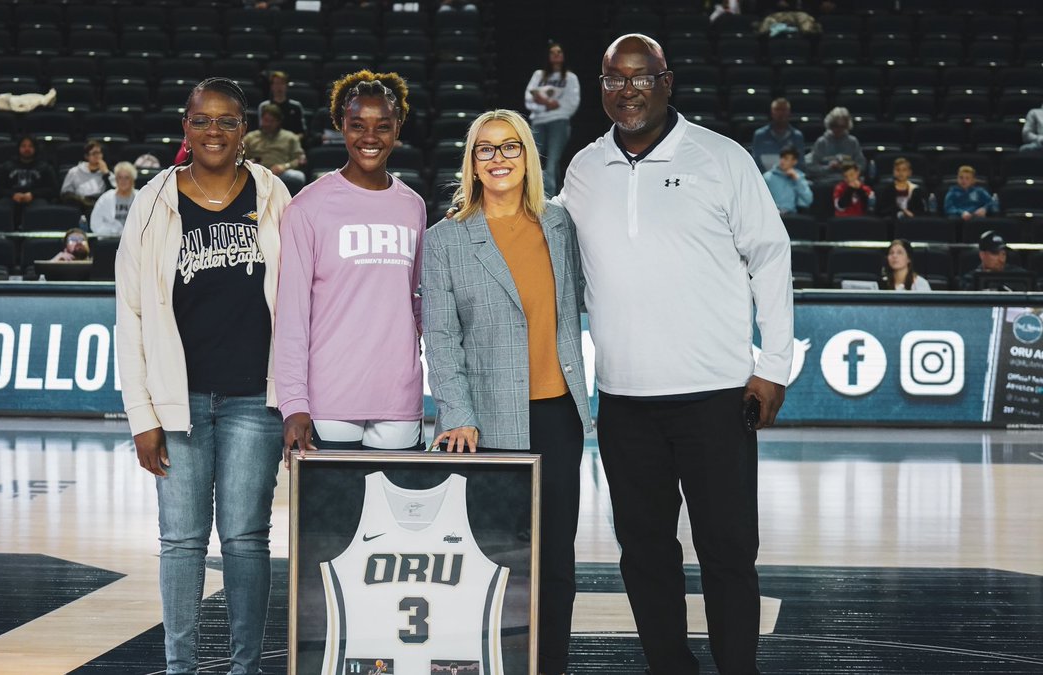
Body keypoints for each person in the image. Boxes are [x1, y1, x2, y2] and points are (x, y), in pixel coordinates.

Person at [556, 34, 793, 675]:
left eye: (641, 77)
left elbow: (770, 256)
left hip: (716, 395)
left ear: (667, 81)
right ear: (600, 86)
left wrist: (773, 368)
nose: (627, 90)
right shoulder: (582, 170)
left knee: (727, 549)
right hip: (626, 401)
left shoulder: (722, 158)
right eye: (613, 79)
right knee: (644, 553)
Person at [115, 77, 291, 675]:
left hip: (253, 399)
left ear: (245, 129)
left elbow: (297, 303)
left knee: (245, 539)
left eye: (227, 120)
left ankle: (246, 668)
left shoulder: (273, 194)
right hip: (176, 401)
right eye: (202, 120)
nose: (214, 130)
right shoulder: (152, 200)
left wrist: (293, 399)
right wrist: (142, 416)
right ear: (184, 126)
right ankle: (179, 667)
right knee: (182, 541)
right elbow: (131, 314)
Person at [422, 109, 592, 675]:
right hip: (486, 423)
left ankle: (550, 666)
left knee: (555, 560)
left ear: (529, 157)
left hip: (558, 416)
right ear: (471, 162)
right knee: (492, 556)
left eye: (510, 147)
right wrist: (457, 415)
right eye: (485, 149)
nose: (498, 159)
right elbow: (441, 339)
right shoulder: (444, 239)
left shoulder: (560, 226)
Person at [275, 70, 427, 459]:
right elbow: (292, 315)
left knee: (393, 520)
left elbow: (414, 300)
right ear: (341, 125)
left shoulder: (413, 207)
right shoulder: (307, 207)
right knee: (333, 521)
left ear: (398, 129)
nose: (370, 137)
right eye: (358, 125)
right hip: (330, 400)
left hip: (399, 397)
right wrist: (294, 404)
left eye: (383, 126)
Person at [524, 41, 581, 195]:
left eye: (559, 52)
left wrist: (548, 104)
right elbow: (528, 100)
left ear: (564, 56)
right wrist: (547, 105)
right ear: (548, 56)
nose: (556, 55)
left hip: (559, 122)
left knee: (552, 162)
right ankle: (539, 195)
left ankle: (549, 199)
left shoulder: (570, 78)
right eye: (553, 53)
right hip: (538, 122)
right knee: (535, 160)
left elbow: (572, 103)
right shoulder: (538, 75)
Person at [243, 104, 308, 195]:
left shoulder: (290, 137)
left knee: (298, 177)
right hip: (257, 172)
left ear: (278, 122)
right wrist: (250, 163)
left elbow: (300, 160)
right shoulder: (250, 137)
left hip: (281, 173)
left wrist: (285, 166)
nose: (267, 124)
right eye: (265, 120)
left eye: (271, 121)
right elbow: (240, 159)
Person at [0, 134, 58, 215]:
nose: (27, 149)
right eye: (23, 146)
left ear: (35, 149)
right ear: (18, 148)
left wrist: (33, 195)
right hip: (11, 198)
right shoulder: (6, 166)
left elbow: (53, 190)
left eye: (30, 146)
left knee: (41, 209)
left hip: (36, 199)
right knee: (1, 208)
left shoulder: (45, 167)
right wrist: (12, 195)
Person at [960, 230, 1029, 290]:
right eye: (995, 253)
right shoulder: (970, 280)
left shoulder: (1019, 276)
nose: (1001, 259)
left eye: (1003, 254)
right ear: (982, 255)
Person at [808, 106, 864, 180]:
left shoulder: (853, 142)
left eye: (842, 126)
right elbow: (811, 166)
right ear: (830, 125)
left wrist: (846, 167)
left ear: (847, 126)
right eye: (835, 126)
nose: (839, 130)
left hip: (847, 180)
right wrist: (828, 168)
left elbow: (861, 165)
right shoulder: (821, 142)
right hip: (825, 181)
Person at [751, 97, 805, 172]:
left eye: (783, 110)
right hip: (765, 179)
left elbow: (800, 164)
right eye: (777, 110)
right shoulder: (760, 135)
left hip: (790, 179)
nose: (780, 113)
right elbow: (756, 163)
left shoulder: (797, 136)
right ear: (772, 112)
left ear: (789, 112)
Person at [60, 140, 112, 213]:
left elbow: (113, 193)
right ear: (86, 156)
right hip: (79, 205)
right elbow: (65, 194)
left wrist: (106, 174)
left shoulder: (107, 173)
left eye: (99, 153)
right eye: (94, 153)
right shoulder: (74, 172)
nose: (97, 156)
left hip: (100, 205)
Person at [89, 161, 136, 235]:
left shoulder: (140, 197)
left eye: (127, 178)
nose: (123, 181)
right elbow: (95, 223)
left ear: (133, 180)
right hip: (110, 239)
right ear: (116, 180)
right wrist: (114, 231)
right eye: (120, 177)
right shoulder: (105, 198)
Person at [763, 147, 812, 214]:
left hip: (791, 215)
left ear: (794, 162)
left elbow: (808, 200)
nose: (782, 161)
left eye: (786, 158)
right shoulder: (767, 177)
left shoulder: (799, 177)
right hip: (772, 214)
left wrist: (797, 180)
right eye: (781, 157)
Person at [258, 70, 306, 137]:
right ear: (272, 86)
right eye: (276, 83)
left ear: (286, 86)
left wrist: (292, 141)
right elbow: (261, 130)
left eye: (282, 83)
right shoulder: (264, 106)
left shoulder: (296, 106)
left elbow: (302, 132)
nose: (279, 86)